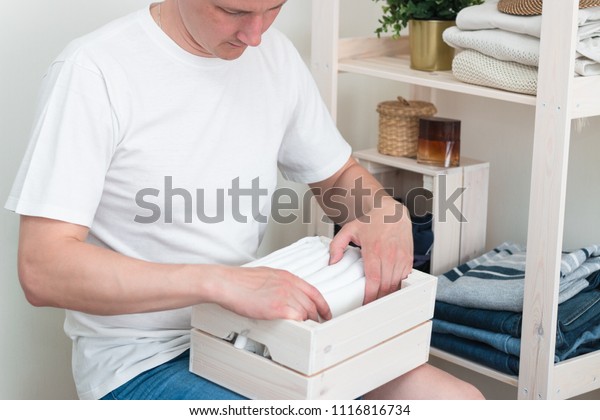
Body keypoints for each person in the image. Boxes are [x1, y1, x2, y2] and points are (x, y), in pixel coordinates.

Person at [5, 0, 484, 400]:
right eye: (233, 11)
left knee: (462, 404)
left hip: (257, 336)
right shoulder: (95, 70)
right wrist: (219, 283)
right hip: (141, 360)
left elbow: (335, 174)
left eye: (273, 8)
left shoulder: (273, 56)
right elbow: (42, 269)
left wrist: (381, 211)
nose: (254, 35)